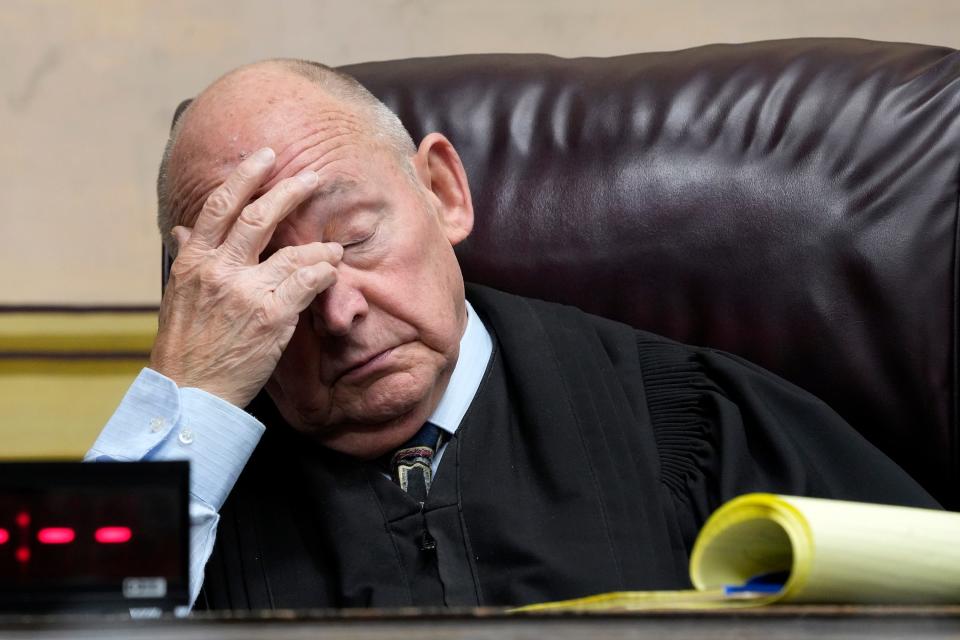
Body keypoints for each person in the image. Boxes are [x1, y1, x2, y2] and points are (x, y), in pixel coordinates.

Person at [87, 58, 939, 611]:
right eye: (272, 277)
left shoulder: (688, 423)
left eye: (353, 239)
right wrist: (187, 404)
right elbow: (57, 621)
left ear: (443, 192)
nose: (338, 310)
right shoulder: (196, 487)